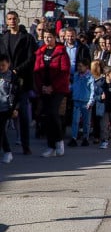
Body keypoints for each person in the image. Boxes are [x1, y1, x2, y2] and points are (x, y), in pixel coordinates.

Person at [0, 11, 36, 155]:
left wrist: (16, 70)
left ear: (18, 20)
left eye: (14, 19)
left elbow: (31, 58)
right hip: (5, 82)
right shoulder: (3, 38)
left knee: (23, 115)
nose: (12, 21)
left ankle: (25, 145)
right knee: (3, 115)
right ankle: (6, 147)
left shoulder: (27, 38)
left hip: (22, 81)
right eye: (9, 19)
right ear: (7, 22)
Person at [34, 28, 70, 158]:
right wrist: (42, 87)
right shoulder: (40, 52)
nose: (47, 39)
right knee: (47, 116)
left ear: (55, 37)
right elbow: (37, 71)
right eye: (45, 37)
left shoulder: (61, 52)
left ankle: (59, 140)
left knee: (53, 112)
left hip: (58, 89)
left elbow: (64, 72)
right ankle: (51, 146)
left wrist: (52, 87)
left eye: (50, 37)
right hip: (44, 88)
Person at [68, 58, 95, 147]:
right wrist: (68, 88)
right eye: (78, 66)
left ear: (86, 67)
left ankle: (85, 138)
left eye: (81, 66)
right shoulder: (76, 75)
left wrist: (90, 101)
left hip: (85, 101)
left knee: (86, 121)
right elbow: (73, 86)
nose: (79, 68)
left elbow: (92, 90)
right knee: (75, 120)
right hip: (76, 100)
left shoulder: (90, 77)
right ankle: (74, 138)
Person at [0, 54, 20, 164]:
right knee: (1, 131)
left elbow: (17, 94)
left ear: (8, 64)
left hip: (6, 108)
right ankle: (8, 152)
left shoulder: (12, 77)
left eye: (3, 65)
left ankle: (7, 153)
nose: (1, 67)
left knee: (1, 130)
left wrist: (15, 108)